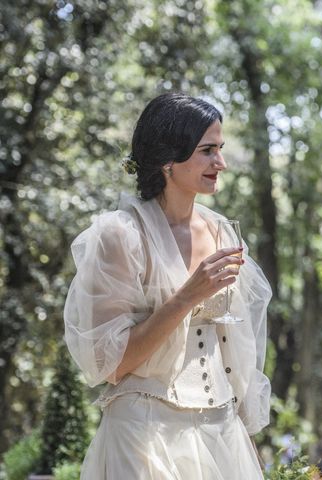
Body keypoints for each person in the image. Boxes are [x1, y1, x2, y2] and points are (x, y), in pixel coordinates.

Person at [64, 93, 272, 479]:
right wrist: (188, 296)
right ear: (167, 160)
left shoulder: (222, 232)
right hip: (144, 434)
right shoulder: (120, 236)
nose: (221, 163)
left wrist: (244, 437)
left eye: (220, 149)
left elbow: (234, 349)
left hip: (222, 433)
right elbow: (113, 363)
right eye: (207, 151)